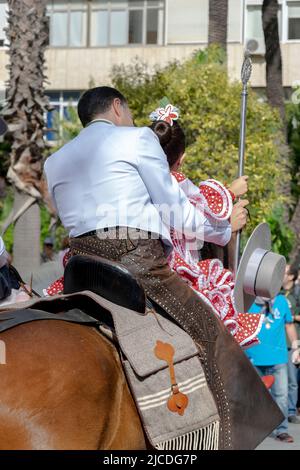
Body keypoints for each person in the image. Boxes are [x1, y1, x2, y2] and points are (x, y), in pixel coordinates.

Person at [44, 86, 284, 448]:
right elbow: (176, 210)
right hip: (136, 262)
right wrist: (222, 228)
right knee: (212, 329)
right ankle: (226, 439)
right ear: (116, 107)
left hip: (78, 268)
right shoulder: (138, 138)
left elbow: (67, 217)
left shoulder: (55, 160)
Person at [148, 108, 262, 349]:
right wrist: (229, 199)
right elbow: (199, 218)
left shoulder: (136, 181)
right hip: (175, 265)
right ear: (182, 158)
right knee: (219, 336)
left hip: (142, 259)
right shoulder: (175, 182)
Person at [245, 268, 300, 443]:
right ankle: (255, 429)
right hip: (253, 357)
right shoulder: (248, 301)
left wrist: (296, 346)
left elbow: (289, 325)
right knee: (255, 396)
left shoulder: (282, 301)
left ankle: (281, 430)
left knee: (281, 396)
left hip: (279, 359)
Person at [284, 266, 300, 424]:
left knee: (292, 379)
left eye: (284, 272)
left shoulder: (297, 292)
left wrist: (291, 316)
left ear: (291, 277)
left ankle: (291, 411)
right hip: (278, 342)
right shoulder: (278, 292)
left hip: (293, 342)